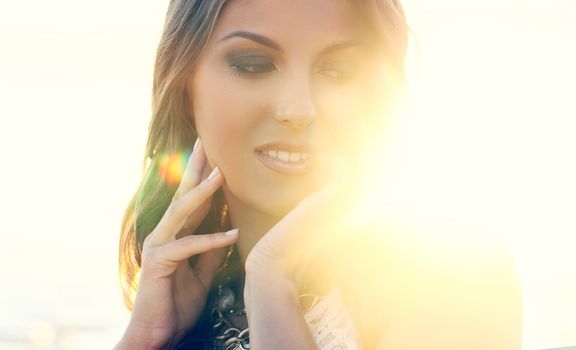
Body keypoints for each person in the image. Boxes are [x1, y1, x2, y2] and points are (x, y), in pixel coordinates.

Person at [114, 0, 523, 349]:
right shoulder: (190, 301)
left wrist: (272, 281)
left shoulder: (455, 270)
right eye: (254, 65)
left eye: (338, 71)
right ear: (186, 87)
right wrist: (146, 336)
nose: (299, 108)